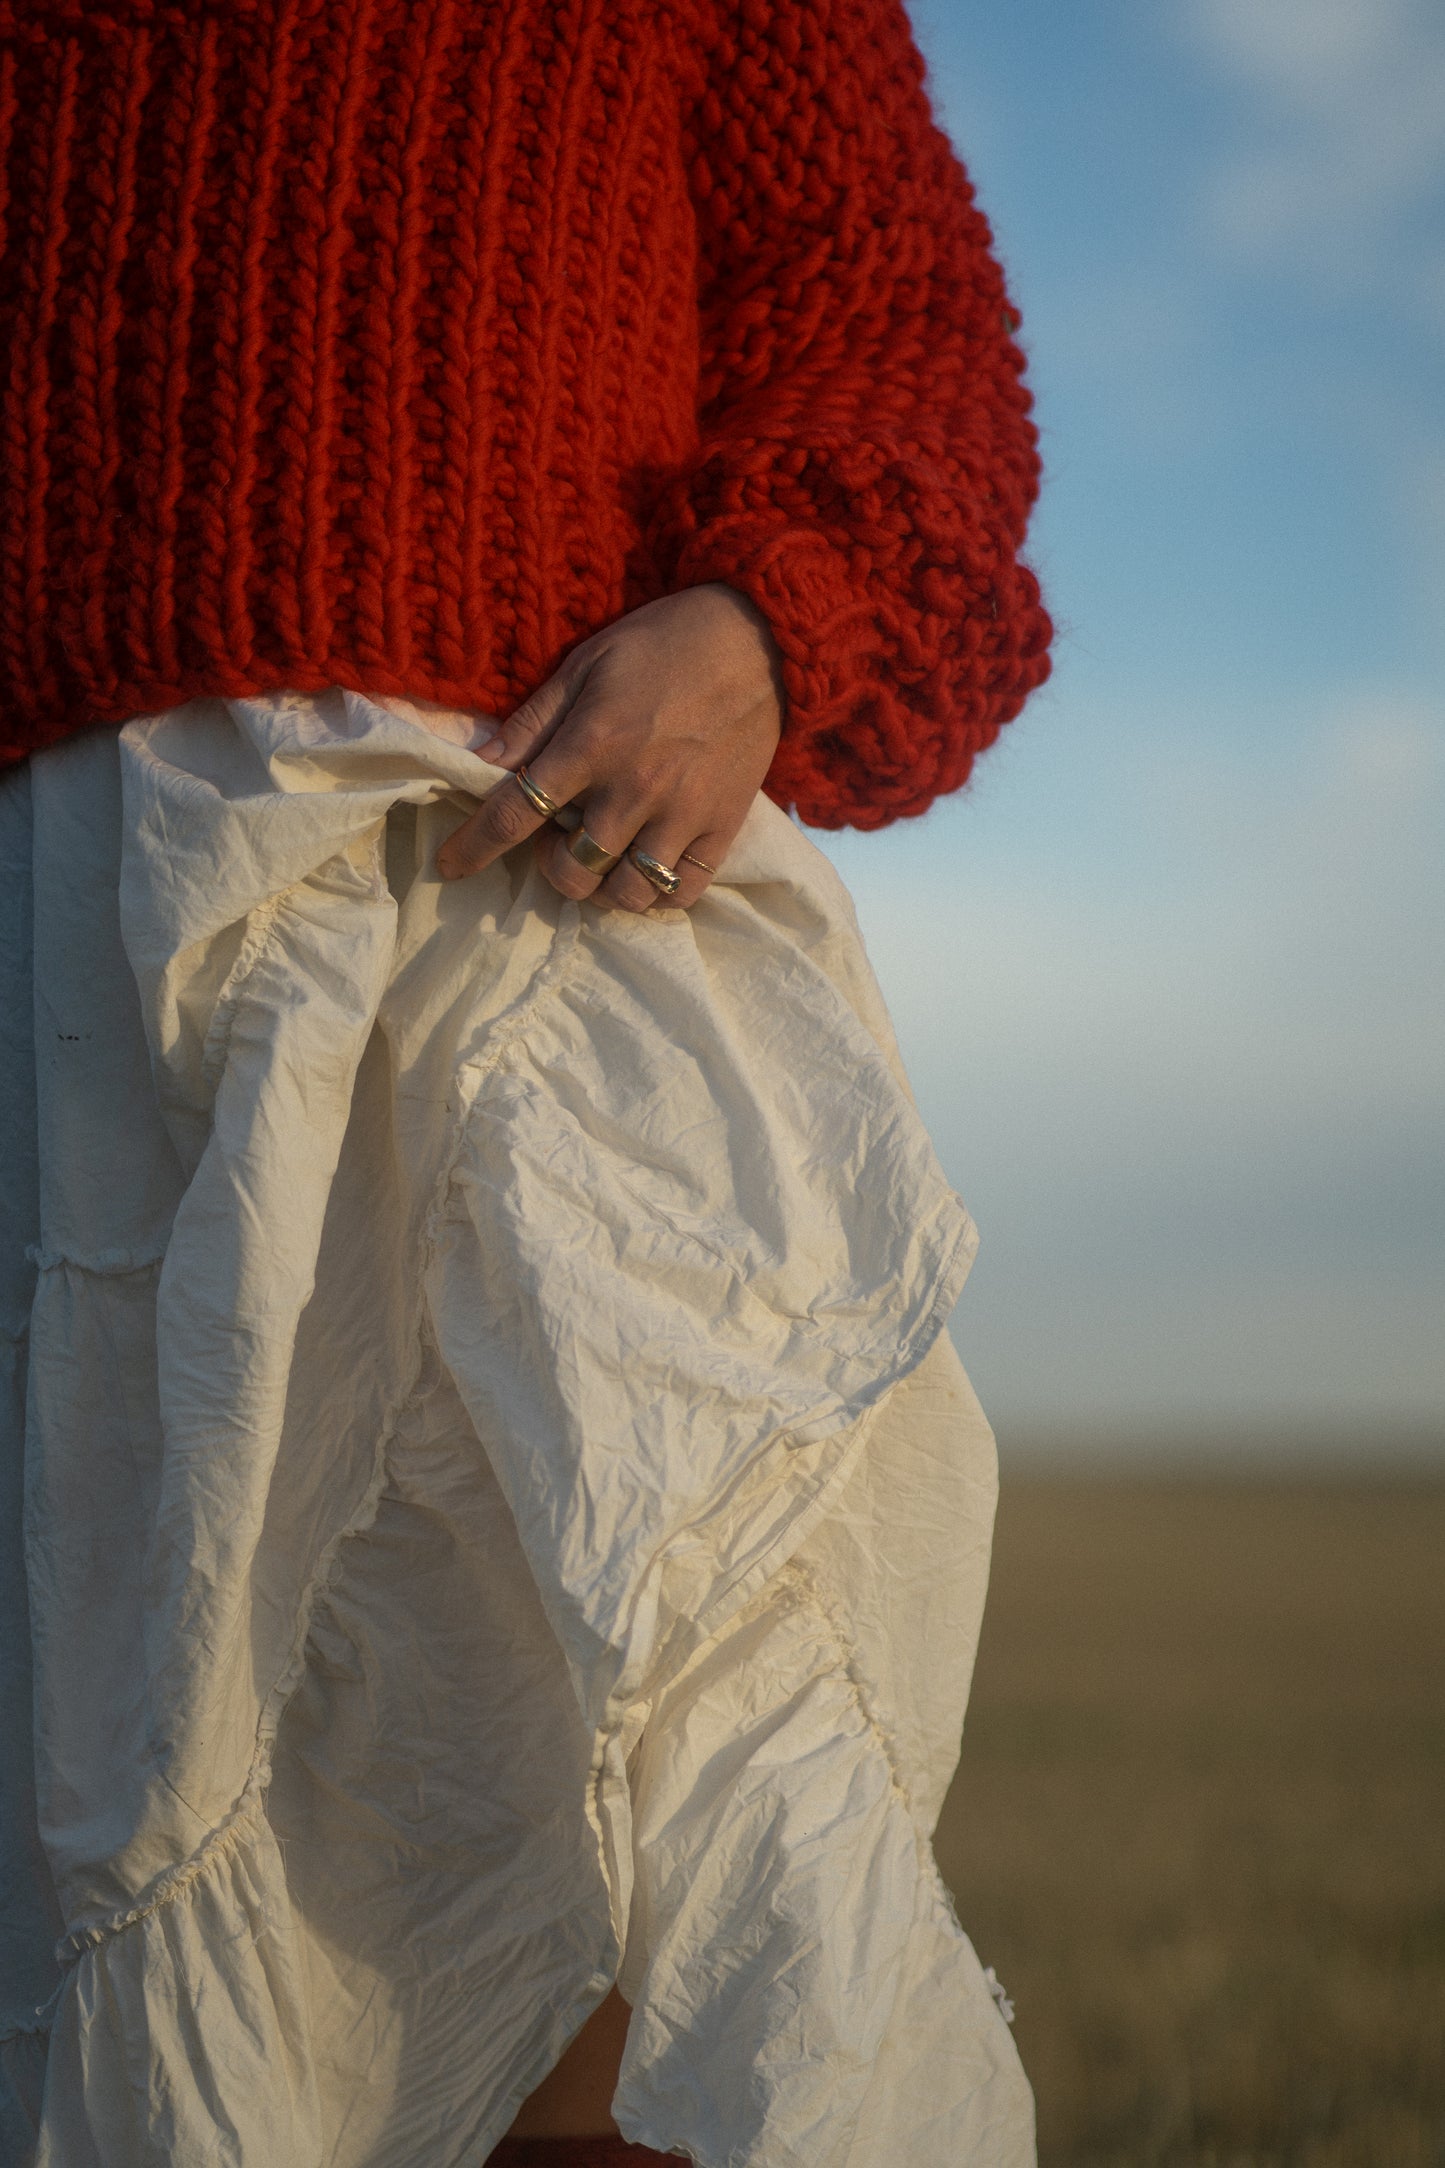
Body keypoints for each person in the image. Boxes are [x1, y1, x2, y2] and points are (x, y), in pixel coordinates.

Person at [0, 1, 1051, 2162]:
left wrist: (765, 626)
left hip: (561, 873)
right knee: (147, 1755)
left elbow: (893, 316)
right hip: (83, 926)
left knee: (645, 1779)